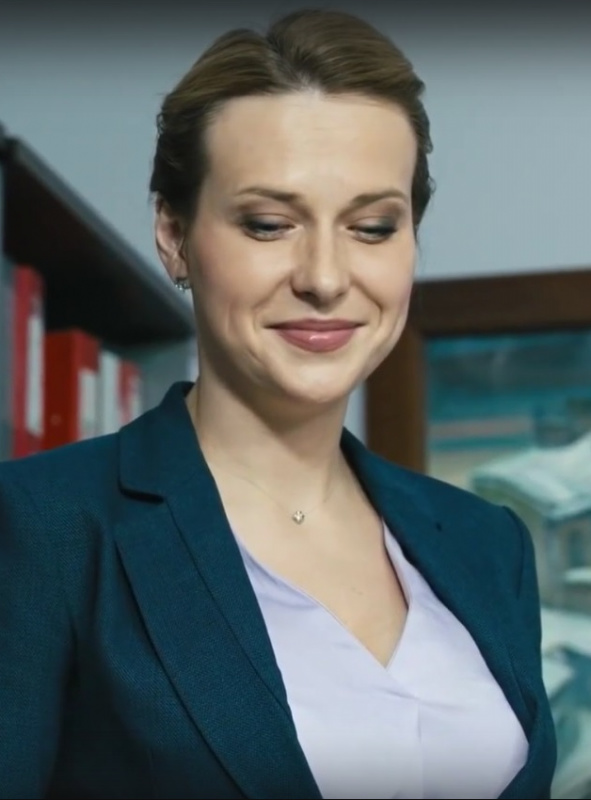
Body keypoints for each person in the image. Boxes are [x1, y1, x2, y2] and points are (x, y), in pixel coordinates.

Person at [0, 8, 556, 800]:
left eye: (372, 227)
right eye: (268, 224)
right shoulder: (42, 527)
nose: (324, 277)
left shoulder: (486, 544)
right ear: (173, 234)